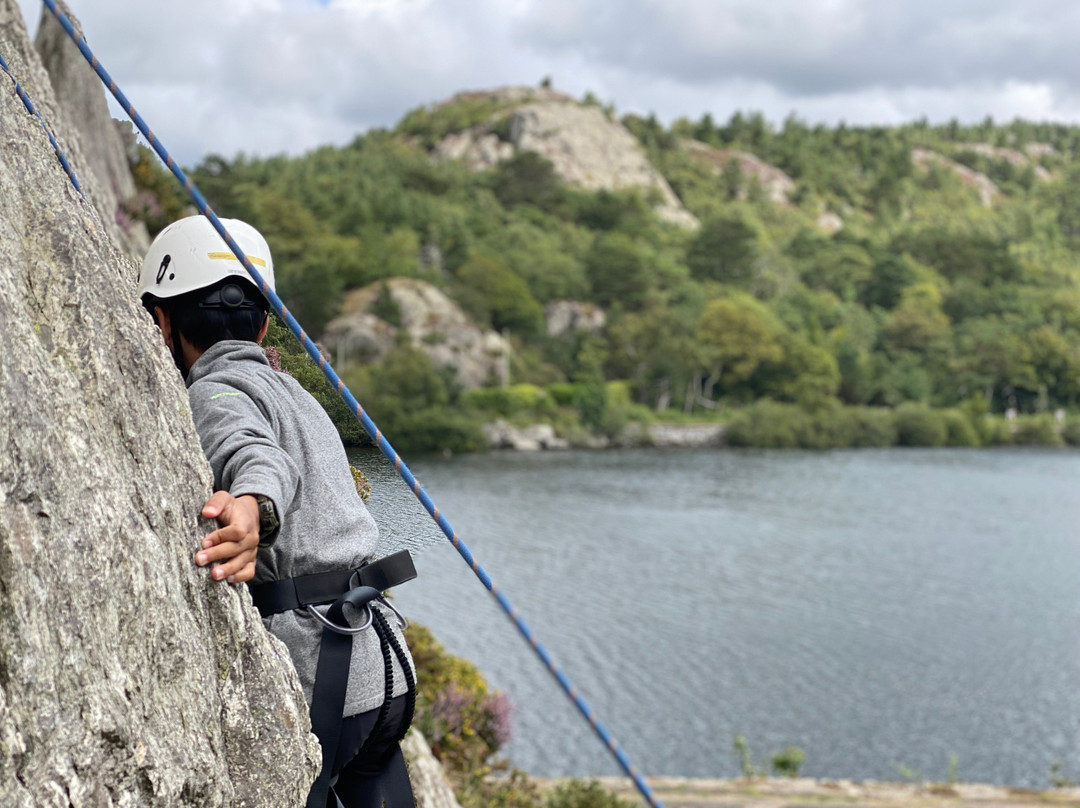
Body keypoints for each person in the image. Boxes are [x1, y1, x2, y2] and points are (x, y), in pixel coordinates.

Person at [139, 215, 417, 808]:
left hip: (325, 673)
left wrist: (250, 510)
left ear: (161, 324)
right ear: (265, 322)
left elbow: (256, 457)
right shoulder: (299, 395)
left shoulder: (214, 392)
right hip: (382, 662)